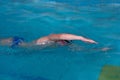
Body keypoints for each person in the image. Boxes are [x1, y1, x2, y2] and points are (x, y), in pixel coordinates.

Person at [0, 33, 97, 48]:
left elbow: (76, 49)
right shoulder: (49, 38)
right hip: (15, 42)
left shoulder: (58, 44)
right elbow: (60, 35)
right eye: (64, 41)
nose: (63, 44)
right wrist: (81, 38)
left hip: (19, 46)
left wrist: (99, 50)